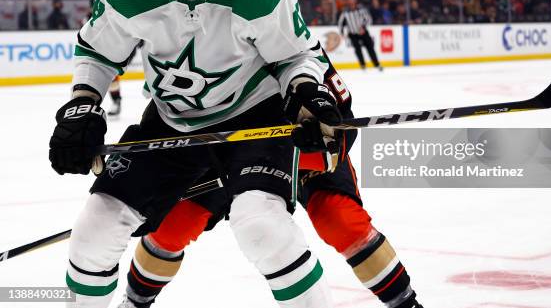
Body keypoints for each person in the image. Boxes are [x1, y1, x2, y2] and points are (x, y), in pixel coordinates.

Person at [49, 0, 343, 308]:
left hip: (255, 116)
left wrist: (306, 93)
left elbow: (294, 56)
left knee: (261, 225)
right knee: (93, 232)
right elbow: (98, 53)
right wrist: (83, 105)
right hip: (172, 120)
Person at [117, 55, 423, 308]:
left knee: (340, 220)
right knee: (172, 226)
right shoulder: (203, 42)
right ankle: (133, 304)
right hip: (223, 154)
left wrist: (314, 145)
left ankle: (406, 305)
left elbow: (342, 131)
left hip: (303, 154)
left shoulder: (297, 46)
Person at [337, 0, 383, 71]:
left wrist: (363, 28)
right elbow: (340, 23)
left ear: (355, 3)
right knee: (357, 49)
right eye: (350, 3)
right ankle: (363, 65)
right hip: (352, 34)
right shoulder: (345, 13)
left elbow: (369, 19)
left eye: (353, 3)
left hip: (363, 32)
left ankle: (377, 64)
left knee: (370, 48)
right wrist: (342, 33)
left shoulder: (361, 10)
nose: (352, 5)